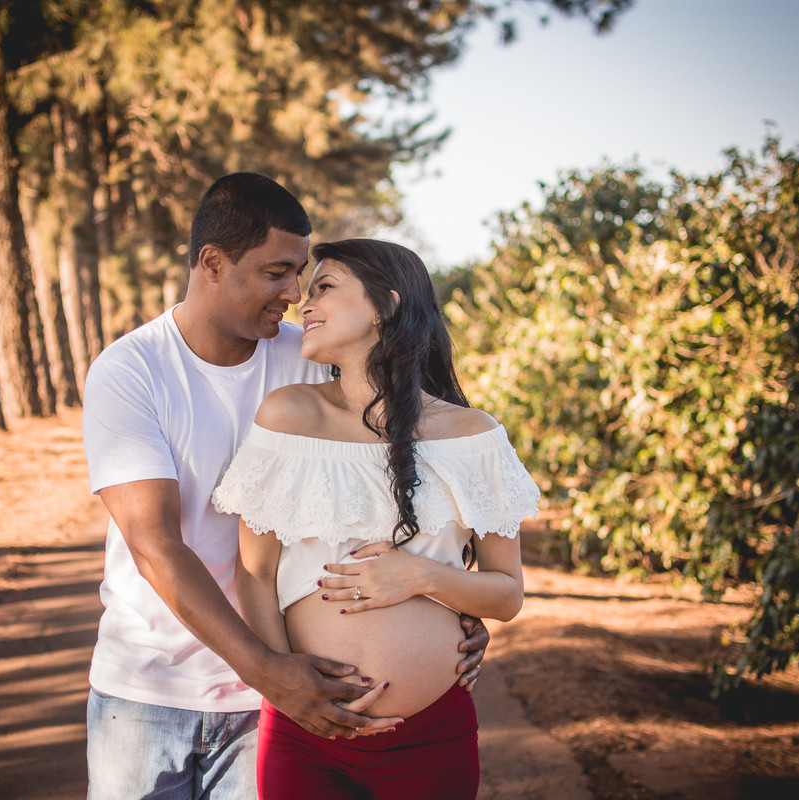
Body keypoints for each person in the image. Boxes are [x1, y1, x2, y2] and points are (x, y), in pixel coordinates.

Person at [81, 174, 489, 800]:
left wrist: (444, 608)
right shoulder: (132, 372)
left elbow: (396, 476)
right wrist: (268, 672)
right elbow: (156, 545)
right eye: (277, 273)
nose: (294, 295)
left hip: (282, 698)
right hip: (151, 688)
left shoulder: (315, 353)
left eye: (301, 274)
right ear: (212, 263)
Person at [212, 238, 540, 798]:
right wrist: (286, 690)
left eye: (324, 287)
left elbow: (507, 594)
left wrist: (421, 577)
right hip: (306, 733)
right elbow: (254, 573)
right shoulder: (289, 416)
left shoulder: (474, 436)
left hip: (431, 736)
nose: (302, 304)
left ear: (386, 306)